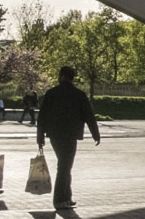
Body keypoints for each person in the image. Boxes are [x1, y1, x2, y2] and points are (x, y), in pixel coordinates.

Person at [36, 66, 100, 210]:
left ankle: (66, 197)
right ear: (72, 77)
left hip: (55, 135)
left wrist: (40, 137)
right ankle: (60, 200)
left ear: (61, 76)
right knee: (65, 166)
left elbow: (42, 117)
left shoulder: (51, 93)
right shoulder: (79, 94)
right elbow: (89, 116)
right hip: (71, 135)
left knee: (64, 165)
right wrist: (95, 134)